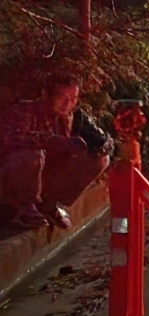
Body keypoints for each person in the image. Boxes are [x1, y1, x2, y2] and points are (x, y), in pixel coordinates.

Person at [0, 72, 112, 230]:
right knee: (32, 154)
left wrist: (94, 147)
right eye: (62, 97)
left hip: (47, 176)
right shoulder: (24, 111)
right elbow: (11, 138)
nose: (68, 103)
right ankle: (24, 207)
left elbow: (105, 140)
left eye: (73, 99)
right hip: (13, 177)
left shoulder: (75, 116)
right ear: (45, 95)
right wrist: (54, 141)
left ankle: (49, 204)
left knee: (101, 159)